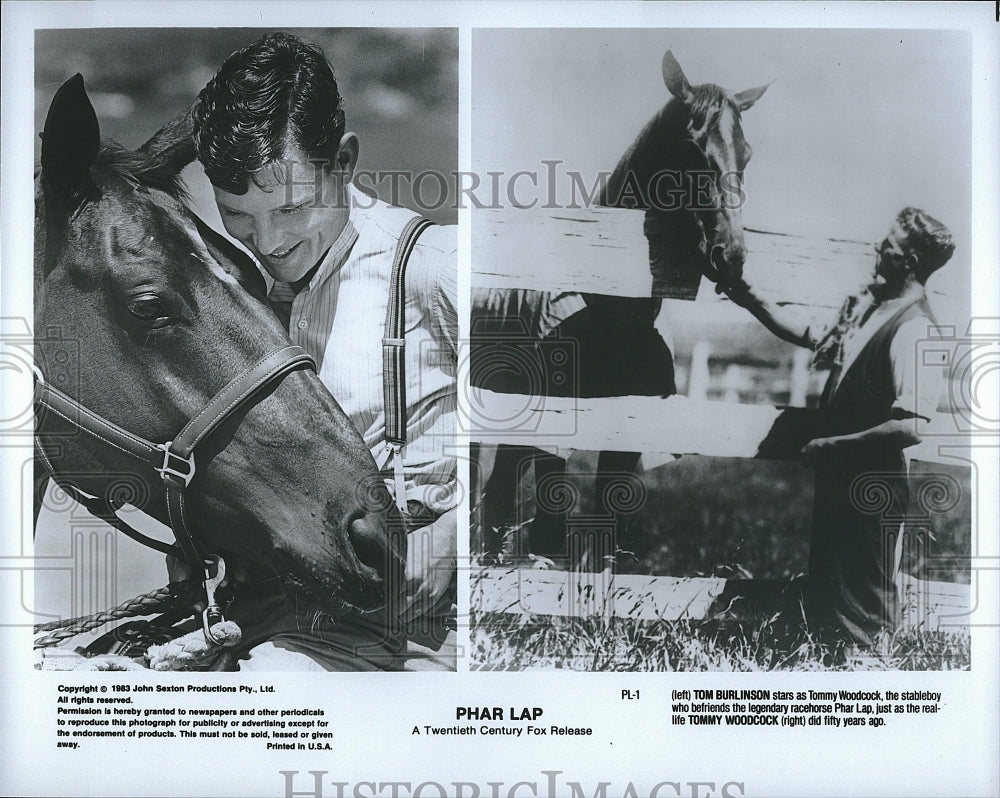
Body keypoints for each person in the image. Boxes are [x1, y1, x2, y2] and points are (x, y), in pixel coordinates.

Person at [180, 32, 457, 670]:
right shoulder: (234, 287)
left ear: (346, 161)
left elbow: (528, 403)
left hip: (421, 623)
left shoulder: (429, 264)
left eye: (294, 206)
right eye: (238, 214)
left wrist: (456, 531)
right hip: (275, 613)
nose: (269, 240)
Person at [724, 208, 954, 651]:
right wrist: (746, 294)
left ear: (908, 261)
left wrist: (833, 444)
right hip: (842, 477)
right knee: (833, 591)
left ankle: (870, 681)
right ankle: (836, 670)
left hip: (872, 487)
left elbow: (910, 427)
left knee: (865, 602)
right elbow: (811, 333)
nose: (877, 248)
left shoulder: (917, 330)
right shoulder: (869, 310)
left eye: (888, 244)